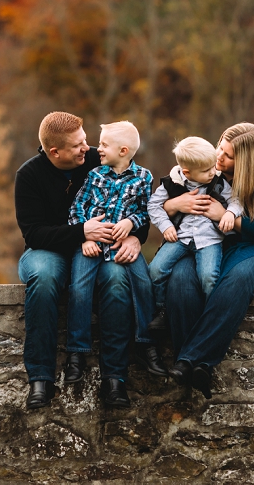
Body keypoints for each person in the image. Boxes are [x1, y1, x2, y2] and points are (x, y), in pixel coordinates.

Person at [13, 112, 151, 410]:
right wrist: (81, 232)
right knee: (45, 278)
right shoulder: (29, 176)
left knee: (116, 281)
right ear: (55, 152)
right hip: (46, 251)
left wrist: (135, 236)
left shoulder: (95, 159)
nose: (87, 148)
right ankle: (41, 378)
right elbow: (34, 233)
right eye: (78, 145)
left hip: (100, 249)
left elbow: (137, 201)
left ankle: (115, 378)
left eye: (86, 141)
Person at [163, 123, 254, 399]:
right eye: (220, 148)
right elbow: (171, 193)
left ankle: (189, 360)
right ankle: (199, 370)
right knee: (181, 278)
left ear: (247, 160)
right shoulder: (209, 173)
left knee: (236, 279)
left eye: (228, 155)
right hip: (209, 247)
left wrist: (224, 216)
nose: (219, 157)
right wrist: (174, 205)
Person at [65, 122, 164, 401]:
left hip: (121, 246)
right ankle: (77, 351)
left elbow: (147, 212)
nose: (99, 149)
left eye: (104, 145)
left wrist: (131, 225)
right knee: (79, 287)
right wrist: (84, 237)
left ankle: (146, 344)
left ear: (123, 150)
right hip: (92, 245)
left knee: (144, 283)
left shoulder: (144, 177)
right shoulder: (95, 174)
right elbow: (77, 208)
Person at [146, 136, 241, 330]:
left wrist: (230, 213)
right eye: (206, 171)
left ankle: (211, 315)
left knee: (208, 276)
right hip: (179, 237)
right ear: (187, 173)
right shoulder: (171, 184)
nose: (213, 172)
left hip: (209, 240)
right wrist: (166, 226)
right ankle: (162, 309)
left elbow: (236, 200)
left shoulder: (218, 182)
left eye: (213, 166)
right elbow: (153, 206)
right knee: (156, 269)